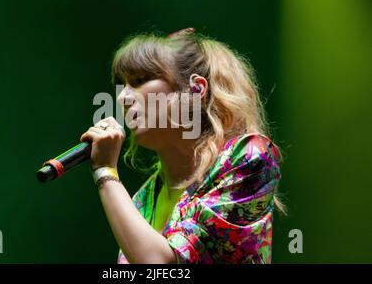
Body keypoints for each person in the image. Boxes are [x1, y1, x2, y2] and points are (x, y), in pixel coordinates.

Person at [80, 28, 284, 264]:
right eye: (121, 85)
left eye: (139, 80)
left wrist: (105, 172)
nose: (123, 97)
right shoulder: (144, 198)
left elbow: (160, 265)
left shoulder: (248, 158)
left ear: (196, 89)